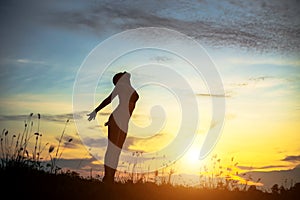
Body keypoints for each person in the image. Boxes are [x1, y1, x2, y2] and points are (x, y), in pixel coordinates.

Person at [87, 71, 139, 183]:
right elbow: (109, 99)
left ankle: (111, 178)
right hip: (117, 120)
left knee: (117, 150)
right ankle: (107, 177)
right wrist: (96, 110)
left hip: (124, 122)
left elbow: (128, 75)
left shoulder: (129, 86)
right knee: (112, 149)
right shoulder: (121, 86)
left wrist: (125, 75)